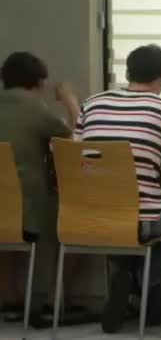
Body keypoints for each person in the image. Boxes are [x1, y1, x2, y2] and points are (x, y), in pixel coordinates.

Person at [74, 44, 161, 333]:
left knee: (122, 221)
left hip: (90, 215)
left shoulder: (91, 104)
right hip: (142, 218)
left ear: (128, 73)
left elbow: (75, 149)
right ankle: (147, 286)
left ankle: (124, 279)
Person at [0, 51, 80, 327]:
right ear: (39, 81)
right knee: (71, 223)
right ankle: (50, 301)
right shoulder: (35, 108)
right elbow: (75, 140)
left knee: (6, 232)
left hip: (5, 205)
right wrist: (70, 102)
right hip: (29, 203)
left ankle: (9, 300)